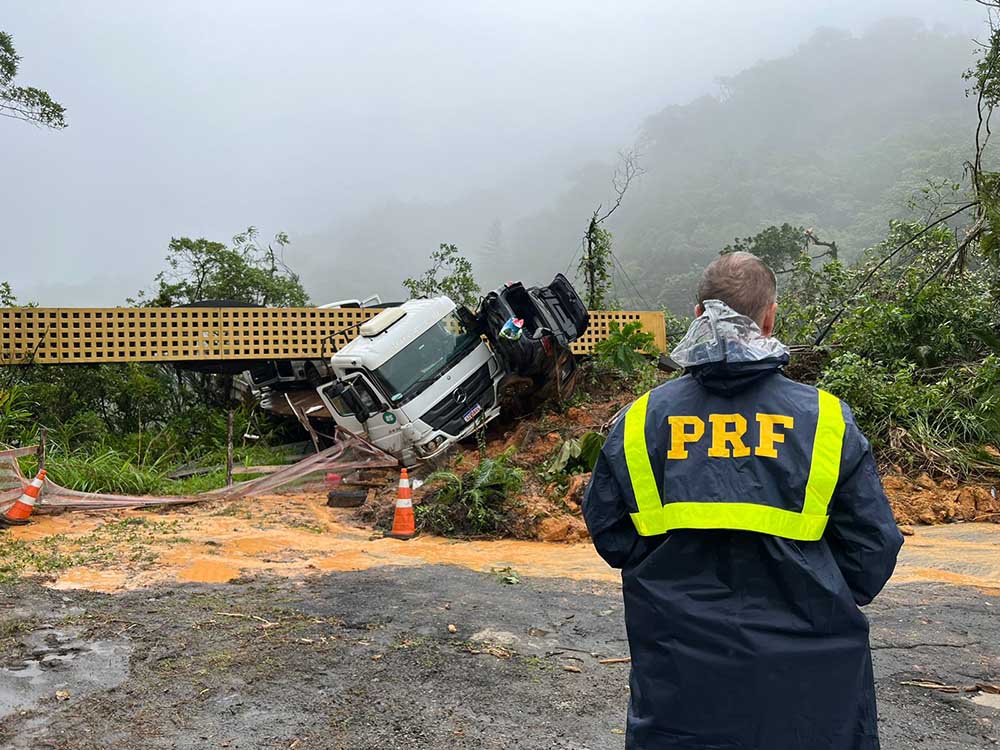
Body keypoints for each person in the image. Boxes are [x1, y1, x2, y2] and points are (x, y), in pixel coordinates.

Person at [583, 251, 903, 750]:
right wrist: (811, 597)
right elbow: (871, 552)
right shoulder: (826, 420)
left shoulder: (640, 421)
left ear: (697, 316)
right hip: (813, 695)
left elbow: (611, 534)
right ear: (770, 316)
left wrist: (673, 587)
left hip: (681, 689)